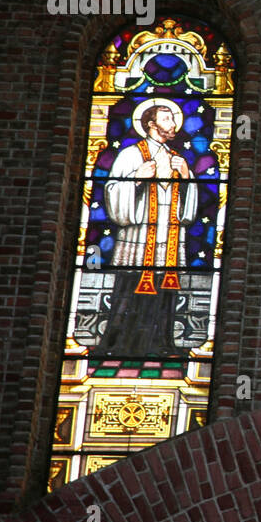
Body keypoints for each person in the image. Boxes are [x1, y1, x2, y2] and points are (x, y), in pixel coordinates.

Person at [93, 100, 198, 356]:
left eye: (173, 119)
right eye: (166, 119)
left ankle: (161, 344)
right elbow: (112, 193)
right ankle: (119, 345)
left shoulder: (177, 159)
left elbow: (189, 207)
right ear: (150, 125)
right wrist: (137, 178)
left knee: (164, 290)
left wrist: (186, 176)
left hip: (169, 235)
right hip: (138, 236)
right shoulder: (131, 155)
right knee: (129, 287)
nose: (172, 124)